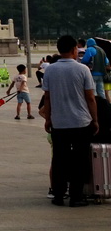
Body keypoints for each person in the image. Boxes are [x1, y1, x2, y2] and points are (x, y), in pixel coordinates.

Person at [40, 34, 99, 206]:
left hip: (59, 122)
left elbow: (48, 97)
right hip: (81, 122)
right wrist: (95, 120)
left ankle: (58, 195)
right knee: (80, 160)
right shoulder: (83, 69)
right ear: (74, 50)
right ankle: (76, 196)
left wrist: (48, 119)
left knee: (59, 159)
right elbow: (90, 98)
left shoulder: (50, 70)